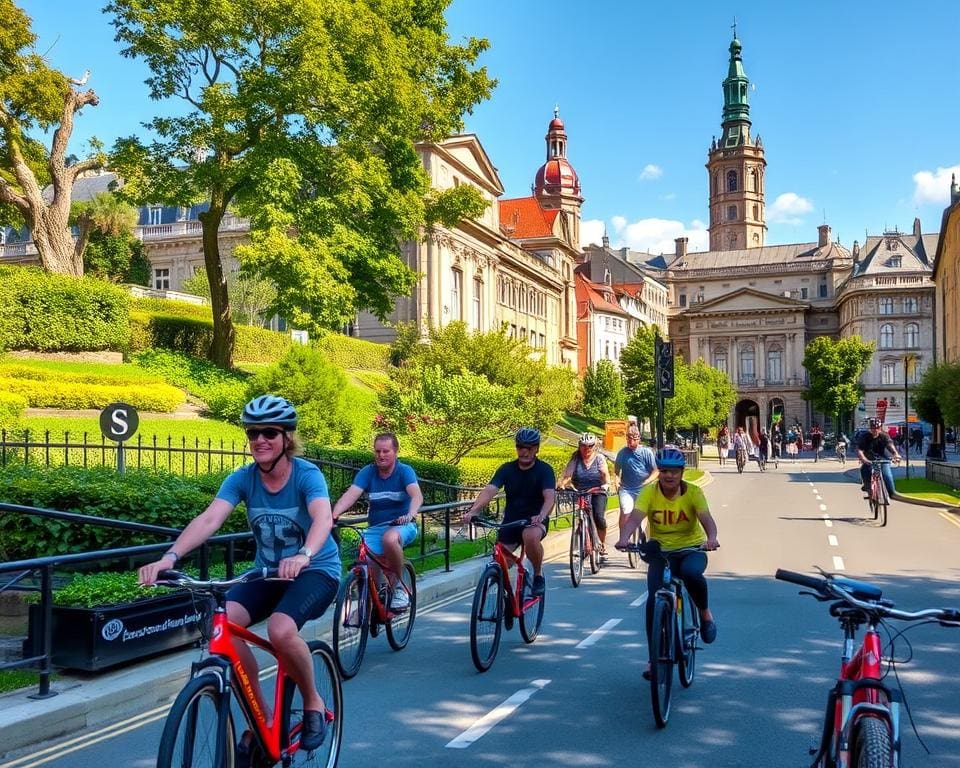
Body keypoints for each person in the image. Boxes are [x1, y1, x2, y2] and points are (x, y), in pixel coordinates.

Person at [138, 395, 339, 751]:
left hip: (316, 571)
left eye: (269, 433)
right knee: (222, 625)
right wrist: (169, 557)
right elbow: (210, 519)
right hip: (267, 573)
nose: (259, 440)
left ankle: (313, 702)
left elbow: (323, 517)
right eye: (253, 433)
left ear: (286, 439)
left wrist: (305, 553)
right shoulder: (243, 478)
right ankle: (261, 718)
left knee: (280, 629)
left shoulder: (307, 475)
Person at [615, 447, 720, 678]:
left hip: (692, 548)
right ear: (659, 472)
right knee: (653, 600)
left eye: (673, 472)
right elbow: (635, 518)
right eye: (664, 471)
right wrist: (623, 538)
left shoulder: (693, 492)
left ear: (682, 472)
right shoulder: (650, 492)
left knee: (691, 574)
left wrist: (711, 538)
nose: (669, 476)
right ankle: (654, 660)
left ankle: (705, 615)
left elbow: (707, 520)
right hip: (661, 552)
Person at [331, 432, 422, 610]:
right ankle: (373, 605)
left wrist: (410, 514)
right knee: (368, 568)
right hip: (375, 528)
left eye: (386, 451)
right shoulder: (368, 472)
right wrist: (333, 516)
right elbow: (351, 495)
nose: (381, 455)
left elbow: (417, 496)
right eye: (377, 451)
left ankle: (400, 588)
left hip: (402, 525)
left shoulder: (404, 471)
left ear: (396, 452)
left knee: (389, 539)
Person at [463, 428, 555, 596]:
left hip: (534, 520)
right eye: (520, 447)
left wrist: (542, 515)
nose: (524, 451)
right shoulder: (507, 469)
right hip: (511, 521)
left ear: (536, 449)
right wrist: (473, 511)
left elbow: (549, 497)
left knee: (530, 537)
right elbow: (490, 490)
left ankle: (538, 575)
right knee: (499, 559)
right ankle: (507, 598)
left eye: (529, 448)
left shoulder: (544, 470)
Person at [558, 432, 612, 555]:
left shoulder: (599, 458)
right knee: (581, 514)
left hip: (597, 490)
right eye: (583, 445)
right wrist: (562, 484)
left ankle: (601, 545)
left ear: (595, 446)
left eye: (590, 446)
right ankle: (582, 537)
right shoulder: (575, 458)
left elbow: (604, 473)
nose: (586, 448)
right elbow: (568, 476)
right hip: (580, 491)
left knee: (599, 517)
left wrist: (606, 484)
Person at [614, 425, 659, 543]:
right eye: (629, 439)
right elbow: (616, 472)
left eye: (634, 439)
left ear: (639, 439)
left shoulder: (646, 453)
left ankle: (643, 532)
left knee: (644, 512)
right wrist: (616, 481)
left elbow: (656, 471)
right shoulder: (622, 453)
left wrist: (647, 481)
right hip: (627, 489)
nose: (631, 442)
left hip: (643, 488)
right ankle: (624, 538)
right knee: (626, 510)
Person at [856, 418, 901, 497]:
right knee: (864, 470)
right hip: (869, 460)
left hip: (884, 459)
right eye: (873, 428)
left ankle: (892, 493)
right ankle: (867, 487)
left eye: (877, 428)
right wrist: (863, 459)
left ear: (880, 428)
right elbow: (860, 450)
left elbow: (890, 445)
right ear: (870, 428)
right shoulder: (864, 437)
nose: (875, 430)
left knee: (887, 475)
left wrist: (895, 454)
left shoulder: (884, 436)